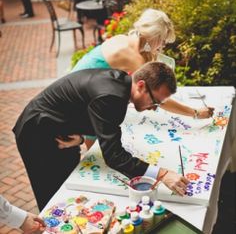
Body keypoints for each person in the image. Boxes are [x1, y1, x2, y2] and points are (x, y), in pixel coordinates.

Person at [13, 62, 189, 211]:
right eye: (155, 101)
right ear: (141, 85)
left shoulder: (121, 83)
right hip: (37, 134)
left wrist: (81, 139)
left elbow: (92, 114)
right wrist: (162, 174)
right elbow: (114, 157)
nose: (154, 108)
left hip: (59, 130)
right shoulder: (112, 97)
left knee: (73, 194)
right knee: (55, 202)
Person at [71, 8, 214, 147]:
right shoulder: (132, 56)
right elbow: (158, 98)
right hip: (80, 97)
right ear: (154, 36)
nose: (162, 46)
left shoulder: (125, 40)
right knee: (93, 152)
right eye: (162, 41)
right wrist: (194, 113)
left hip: (78, 84)